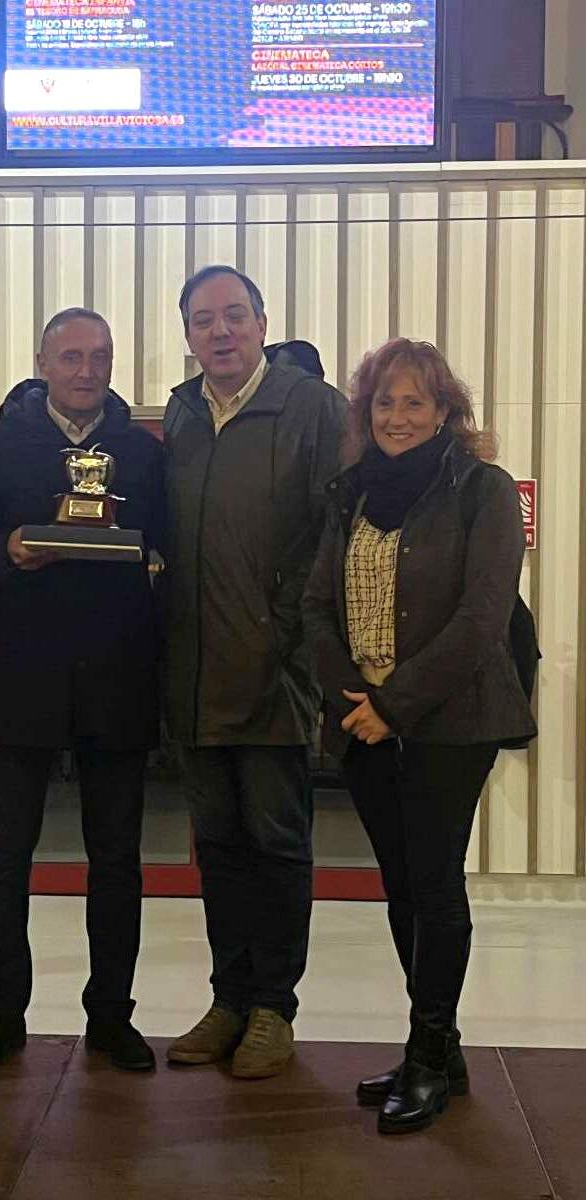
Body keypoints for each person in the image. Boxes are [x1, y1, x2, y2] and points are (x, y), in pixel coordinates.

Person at [302, 338, 537, 1134]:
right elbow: (314, 607)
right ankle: (441, 1048)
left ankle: (429, 1056)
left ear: (445, 411)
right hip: (363, 719)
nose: (397, 417)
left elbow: (482, 618)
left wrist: (394, 705)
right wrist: (351, 699)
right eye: (383, 403)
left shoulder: (483, 489)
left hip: (450, 720)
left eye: (414, 402)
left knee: (434, 884)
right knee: (402, 887)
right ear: (365, 415)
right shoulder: (351, 494)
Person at [0, 308, 165, 1071]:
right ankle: (1, 1015)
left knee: (117, 860)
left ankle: (111, 1015)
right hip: (21, 682)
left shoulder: (140, 450)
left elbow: (162, 549)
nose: (87, 370)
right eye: (71, 356)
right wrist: (6, 547)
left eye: (100, 356)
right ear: (42, 361)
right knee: (4, 857)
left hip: (116, 680)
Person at [163, 266, 345, 1078]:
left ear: (263, 321)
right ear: (189, 334)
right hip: (194, 674)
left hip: (276, 672)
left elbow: (333, 539)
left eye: (235, 315)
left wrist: (300, 647)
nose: (221, 332)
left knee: (277, 844)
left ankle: (275, 1006)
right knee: (219, 845)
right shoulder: (180, 411)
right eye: (204, 321)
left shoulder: (312, 406)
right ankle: (229, 997)